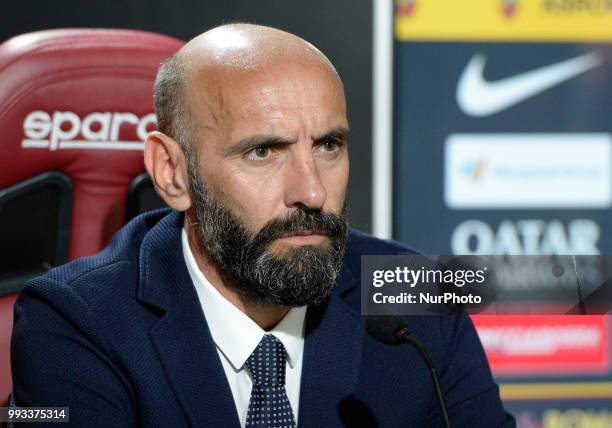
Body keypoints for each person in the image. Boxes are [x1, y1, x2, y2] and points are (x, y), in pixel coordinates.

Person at [11, 24, 514, 427]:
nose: (312, 193)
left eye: (328, 146)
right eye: (262, 152)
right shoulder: (74, 320)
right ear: (172, 172)